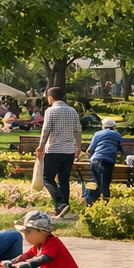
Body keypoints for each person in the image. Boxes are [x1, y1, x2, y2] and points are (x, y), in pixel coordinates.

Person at [36, 86, 82, 219]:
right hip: (69, 151)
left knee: (47, 178)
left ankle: (60, 203)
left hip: (54, 149)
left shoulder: (50, 111)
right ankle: (64, 207)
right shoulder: (72, 111)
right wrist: (78, 148)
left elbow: (46, 130)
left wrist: (41, 146)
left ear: (51, 98)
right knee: (63, 179)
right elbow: (78, 130)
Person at [83, 118, 123, 206]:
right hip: (108, 161)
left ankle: (90, 200)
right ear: (114, 126)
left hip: (95, 161)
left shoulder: (97, 134)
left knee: (99, 183)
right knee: (104, 183)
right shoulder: (117, 135)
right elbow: (121, 149)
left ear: (103, 126)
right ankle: (105, 202)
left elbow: (90, 149)